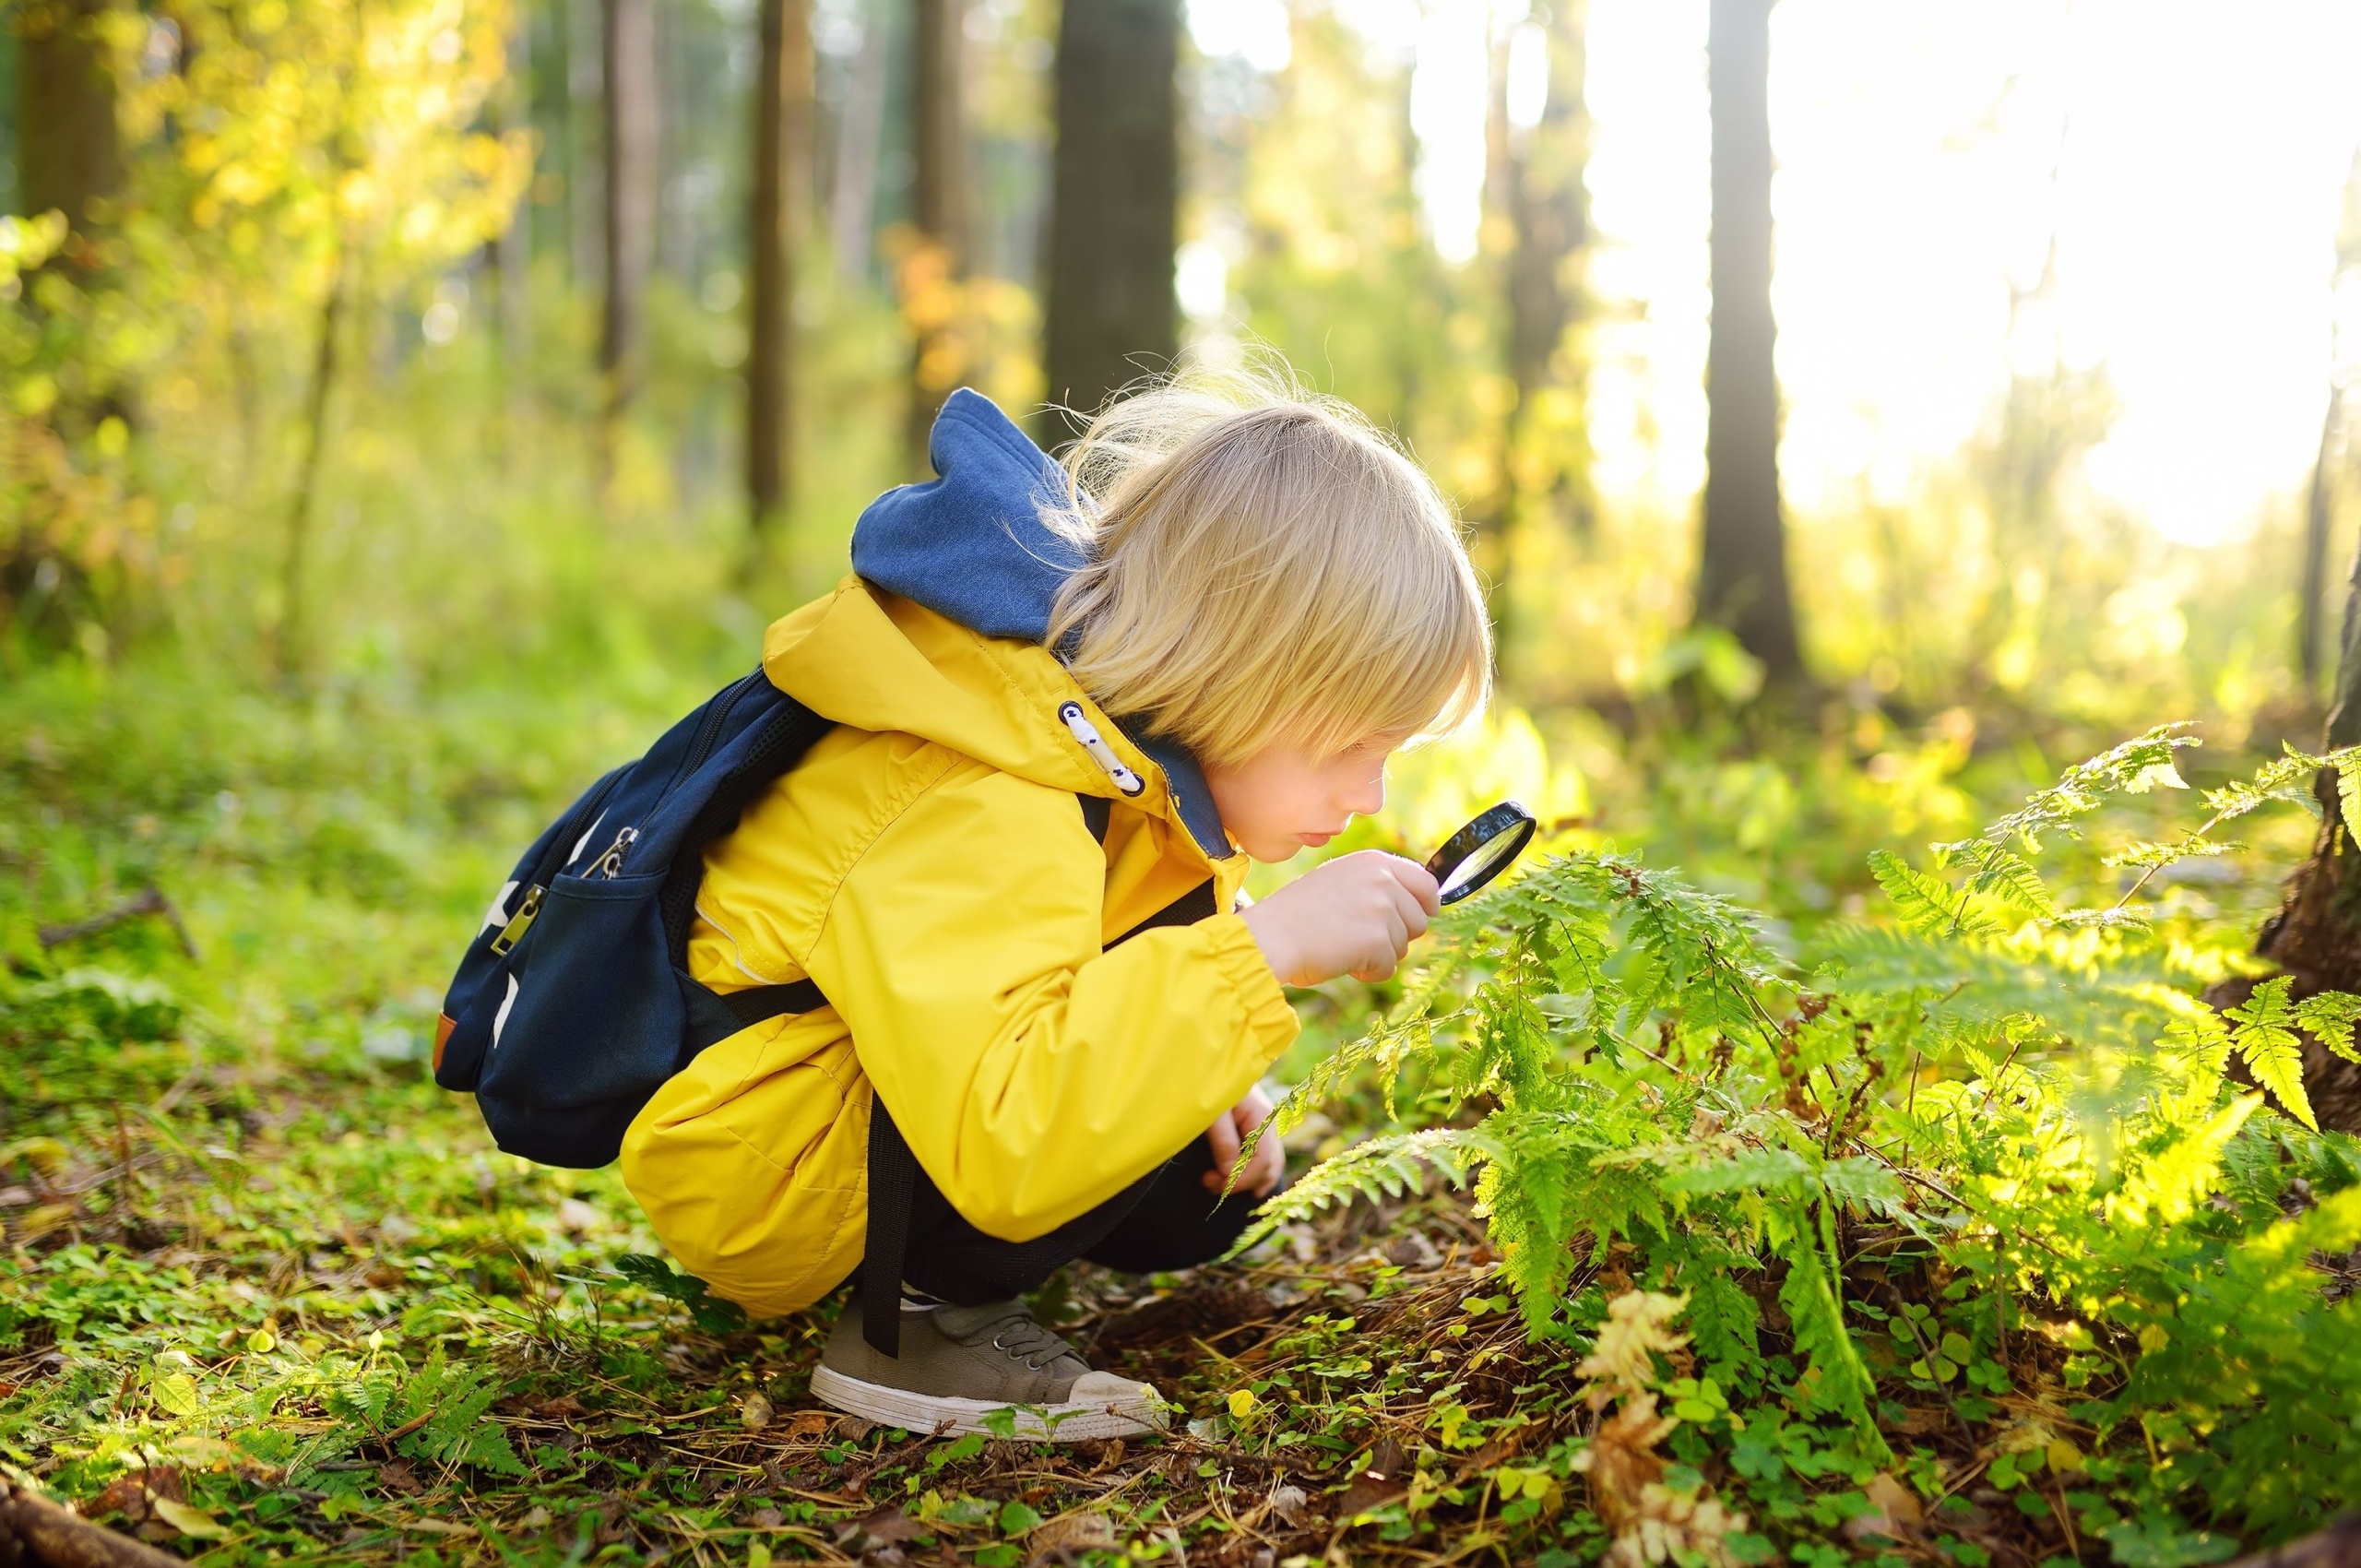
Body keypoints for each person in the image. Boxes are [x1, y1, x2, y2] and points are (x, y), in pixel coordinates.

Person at [619, 364, 1491, 1438]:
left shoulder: (1130, 772)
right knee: (1106, 1117)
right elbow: (1006, 1118)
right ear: (1237, 667)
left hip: (908, 1097)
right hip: (765, 1163)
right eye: (1350, 743)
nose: (1368, 797)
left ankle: (949, 1272)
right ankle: (913, 1328)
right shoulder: (990, 785)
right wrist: (1257, 955)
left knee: (1198, 1184)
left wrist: (1205, 1062)